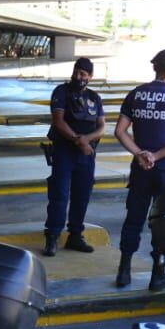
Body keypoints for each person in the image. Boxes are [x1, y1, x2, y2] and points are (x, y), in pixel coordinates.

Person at [114, 49, 165, 290]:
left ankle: (124, 270)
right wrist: (156, 155)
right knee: (163, 222)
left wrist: (140, 154)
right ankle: (157, 274)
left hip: (140, 169)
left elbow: (120, 131)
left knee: (134, 218)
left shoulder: (136, 94)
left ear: (154, 68)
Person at [43, 57, 106, 256]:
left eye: (83, 74)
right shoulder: (61, 92)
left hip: (86, 155)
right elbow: (58, 121)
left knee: (82, 196)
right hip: (64, 152)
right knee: (59, 195)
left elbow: (102, 126)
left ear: (90, 77)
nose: (78, 77)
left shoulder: (94, 97)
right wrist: (79, 141)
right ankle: (52, 236)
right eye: (76, 72)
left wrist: (86, 140)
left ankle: (75, 235)